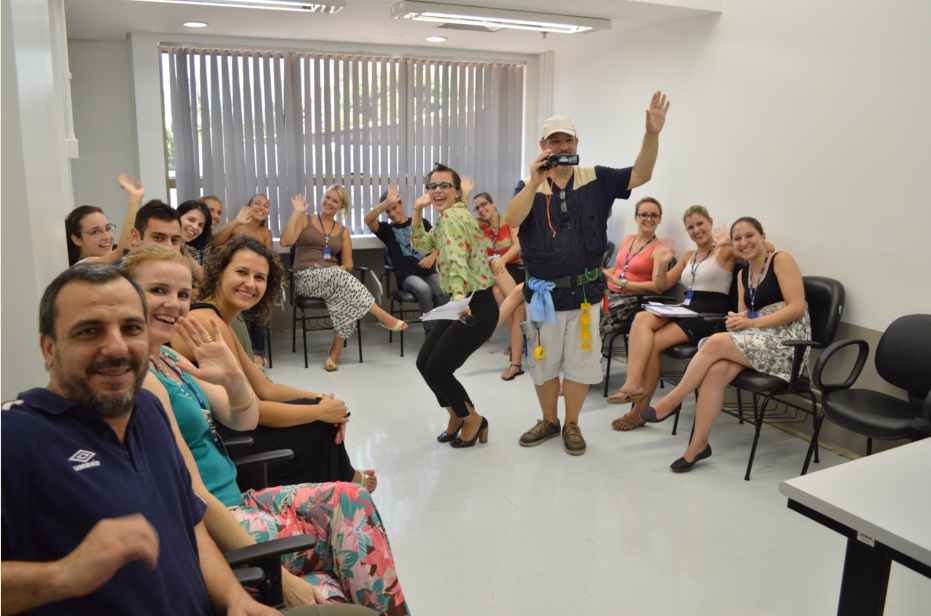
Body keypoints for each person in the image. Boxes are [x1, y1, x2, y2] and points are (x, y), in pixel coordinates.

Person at [122, 247, 409, 614]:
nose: (175, 305)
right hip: (219, 520)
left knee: (352, 498)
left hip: (237, 498)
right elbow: (193, 494)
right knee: (350, 531)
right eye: (157, 291)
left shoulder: (168, 358)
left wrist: (231, 378)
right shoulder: (141, 378)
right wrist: (283, 579)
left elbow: (243, 415)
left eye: (181, 294)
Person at [0, 264, 283, 615]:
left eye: (131, 328)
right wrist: (64, 575)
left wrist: (234, 598)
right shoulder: (15, 437)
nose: (116, 347)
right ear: (49, 348)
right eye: (89, 331)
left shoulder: (148, 409)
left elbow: (192, 527)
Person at [505, 91, 670, 456]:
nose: (561, 146)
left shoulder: (597, 178)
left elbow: (641, 174)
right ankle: (549, 420)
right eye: (554, 141)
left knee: (581, 364)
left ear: (577, 143)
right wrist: (533, 182)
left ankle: (572, 424)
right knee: (543, 362)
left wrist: (651, 134)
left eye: (567, 140)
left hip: (585, 295)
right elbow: (512, 218)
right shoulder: (529, 185)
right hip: (544, 296)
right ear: (543, 146)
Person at [171, 236, 376, 491]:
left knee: (318, 413)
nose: (250, 283)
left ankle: (343, 479)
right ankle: (343, 484)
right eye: (241, 272)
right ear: (219, 273)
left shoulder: (219, 319)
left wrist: (322, 399)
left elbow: (265, 388)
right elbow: (254, 409)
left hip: (229, 421)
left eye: (260, 277)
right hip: (218, 438)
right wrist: (320, 412)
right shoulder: (208, 321)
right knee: (318, 426)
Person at [640, 217, 810, 472]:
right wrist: (738, 320)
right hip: (758, 340)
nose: (744, 242)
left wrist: (751, 323)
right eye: (737, 239)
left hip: (787, 343)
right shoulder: (743, 274)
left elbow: (796, 308)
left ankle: (673, 400)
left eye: (750, 236)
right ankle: (698, 446)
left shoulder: (781, 260)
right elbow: (745, 315)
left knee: (717, 341)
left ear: (763, 237)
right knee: (716, 372)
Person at [606, 206, 738, 430]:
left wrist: (729, 242)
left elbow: (765, 249)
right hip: (686, 308)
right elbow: (662, 285)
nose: (696, 230)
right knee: (642, 318)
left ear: (710, 222)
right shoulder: (688, 256)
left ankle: (638, 409)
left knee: (653, 343)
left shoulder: (724, 251)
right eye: (690, 227)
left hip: (709, 315)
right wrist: (661, 262)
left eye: (700, 224)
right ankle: (633, 383)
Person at [411, 163, 499, 448]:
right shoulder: (449, 217)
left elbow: (458, 261)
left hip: (473, 305)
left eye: (444, 185)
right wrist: (417, 210)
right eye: (432, 186)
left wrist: (460, 303)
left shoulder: (451, 218)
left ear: (458, 192)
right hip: (463, 302)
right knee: (425, 363)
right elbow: (422, 245)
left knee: (436, 369)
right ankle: (457, 415)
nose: (437, 190)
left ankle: (473, 419)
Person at [280, 185, 406, 371]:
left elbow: (348, 263)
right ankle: (382, 316)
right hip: (306, 279)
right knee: (342, 282)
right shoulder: (304, 220)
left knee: (344, 295)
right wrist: (296, 213)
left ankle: (334, 355)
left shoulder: (343, 231)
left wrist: (341, 268)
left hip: (334, 280)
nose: (329, 202)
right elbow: (285, 241)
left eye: (335, 201)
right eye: (327, 197)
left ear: (341, 207)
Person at [365, 184, 448, 336]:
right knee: (424, 290)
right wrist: (387, 202)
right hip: (407, 277)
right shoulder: (387, 230)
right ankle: (431, 333)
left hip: (428, 273)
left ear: (401, 204)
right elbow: (368, 219)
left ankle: (444, 331)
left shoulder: (422, 222)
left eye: (394, 208)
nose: (392, 213)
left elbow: (440, 244)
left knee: (443, 290)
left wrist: (432, 256)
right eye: (388, 211)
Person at [473, 192, 527, 381]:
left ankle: (490, 332)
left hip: (516, 266)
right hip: (496, 271)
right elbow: (461, 220)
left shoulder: (508, 219)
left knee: (499, 287)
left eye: (484, 204)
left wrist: (502, 260)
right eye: (477, 208)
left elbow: (518, 245)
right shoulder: (480, 225)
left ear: (493, 203)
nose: (481, 210)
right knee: (500, 294)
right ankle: (519, 343)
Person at [600, 196, 669, 330]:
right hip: (610, 293)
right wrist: (600, 273)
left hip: (633, 300)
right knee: (579, 305)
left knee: (593, 313)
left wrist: (622, 283)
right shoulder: (627, 239)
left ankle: (592, 344)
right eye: (644, 215)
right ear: (636, 217)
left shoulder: (659, 249)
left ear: (659, 219)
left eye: (654, 215)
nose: (649, 219)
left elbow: (657, 287)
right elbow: (616, 268)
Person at [64, 173, 144, 265]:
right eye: (95, 232)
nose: (107, 237)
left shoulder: (112, 258)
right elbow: (123, 251)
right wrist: (134, 199)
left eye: (108, 228)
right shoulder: (82, 266)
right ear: (77, 239)